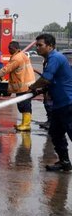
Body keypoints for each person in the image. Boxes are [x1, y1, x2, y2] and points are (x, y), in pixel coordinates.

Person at [28, 33, 72, 172]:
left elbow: (46, 79)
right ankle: (64, 162)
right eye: (37, 45)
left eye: (40, 45)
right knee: (56, 133)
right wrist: (41, 90)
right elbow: (51, 82)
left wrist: (32, 87)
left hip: (67, 102)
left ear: (50, 46)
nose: (37, 48)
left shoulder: (55, 57)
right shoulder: (49, 59)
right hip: (59, 104)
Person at [0, 41, 35, 131]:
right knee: (25, 105)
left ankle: (26, 125)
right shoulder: (22, 55)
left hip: (23, 86)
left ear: (15, 48)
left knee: (24, 105)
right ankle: (24, 123)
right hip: (27, 84)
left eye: (10, 48)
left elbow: (6, 69)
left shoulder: (17, 58)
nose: (9, 50)